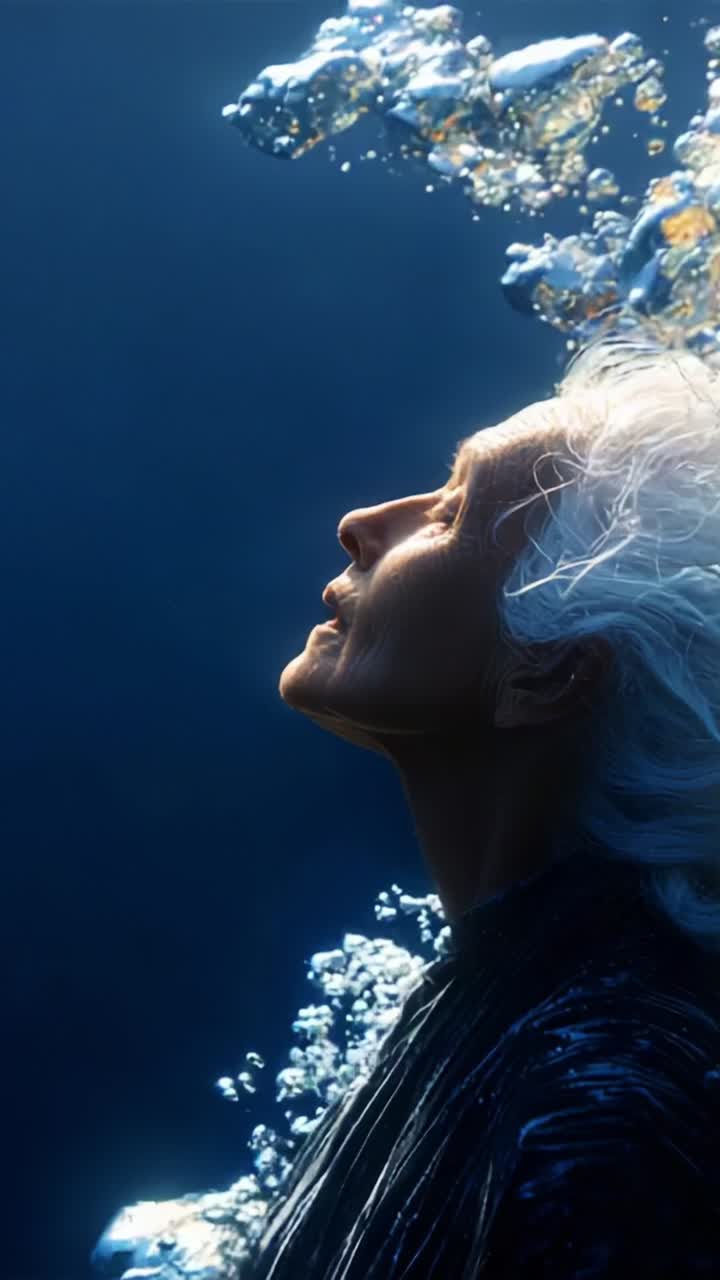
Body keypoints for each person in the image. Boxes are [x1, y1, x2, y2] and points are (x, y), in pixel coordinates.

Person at [249, 333, 720, 1278]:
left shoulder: (597, 1121)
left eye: (454, 512)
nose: (364, 519)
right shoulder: (555, 1009)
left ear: (547, 673)